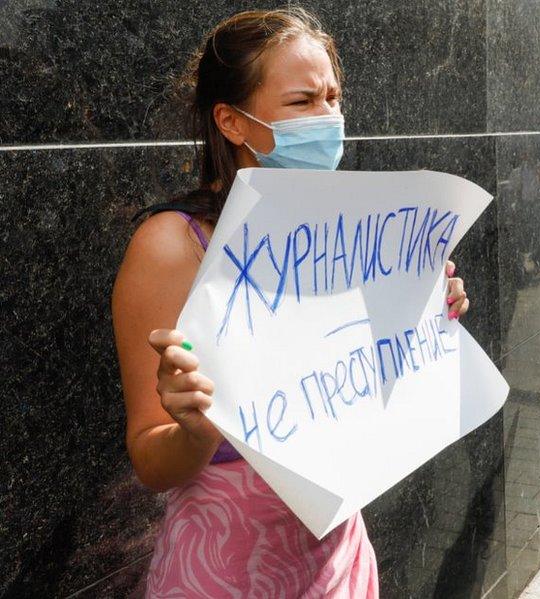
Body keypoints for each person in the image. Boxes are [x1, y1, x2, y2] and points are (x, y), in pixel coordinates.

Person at [111, 9, 470, 597]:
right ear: (232, 121)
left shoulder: (350, 233)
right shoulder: (173, 247)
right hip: (225, 568)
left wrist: (428, 308)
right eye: (302, 103)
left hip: (339, 560)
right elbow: (152, 461)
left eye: (333, 98)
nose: (327, 119)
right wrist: (196, 430)